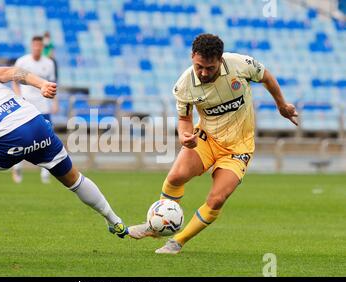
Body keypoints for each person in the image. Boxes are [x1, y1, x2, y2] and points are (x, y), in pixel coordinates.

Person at [0, 62, 128, 254]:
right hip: (34, 122)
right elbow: (13, 72)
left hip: (5, 136)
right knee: (74, 179)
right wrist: (42, 84)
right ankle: (114, 220)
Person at [128, 34, 298, 254]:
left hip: (239, 147)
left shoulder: (241, 64)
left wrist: (281, 105)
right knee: (175, 177)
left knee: (217, 198)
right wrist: (185, 137)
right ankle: (156, 225)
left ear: (220, 60)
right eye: (199, 66)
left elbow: (266, 77)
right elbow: (184, 119)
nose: (204, 73)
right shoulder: (184, 85)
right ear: (192, 57)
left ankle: (177, 242)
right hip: (207, 139)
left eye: (210, 68)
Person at [12, 36, 58, 184]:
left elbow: (52, 84)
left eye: (40, 45)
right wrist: (18, 97)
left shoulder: (49, 63)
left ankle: (46, 172)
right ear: (32, 46)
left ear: (42, 47)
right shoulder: (22, 62)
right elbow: (15, 81)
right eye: (35, 45)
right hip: (26, 105)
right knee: (21, 137)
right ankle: (17, 166)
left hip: (44, 106)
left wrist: (54, 102)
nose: (37, 48)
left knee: (47, 137)